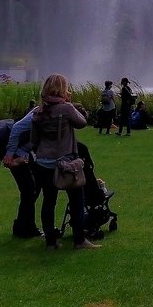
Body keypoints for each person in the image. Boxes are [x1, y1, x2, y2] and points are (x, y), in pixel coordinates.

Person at [29, 74, 99, 250]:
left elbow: (34, 140)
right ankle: (79, 240)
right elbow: (82, 122)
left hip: (43, 163)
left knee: (48, 201)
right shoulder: (66, 109)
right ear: (63, 89)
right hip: (65, 163)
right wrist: (70, 103)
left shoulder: (39, 111)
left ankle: (51, 243)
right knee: (76, 200)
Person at [0, 100, 42, 238]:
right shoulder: (39, 113)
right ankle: (26, 228)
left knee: (33, 189)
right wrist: (10, 155)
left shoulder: (45, 112)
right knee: (29, 190)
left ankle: (22, 225)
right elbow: (17, 128)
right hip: (18, 153)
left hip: (25, 152)